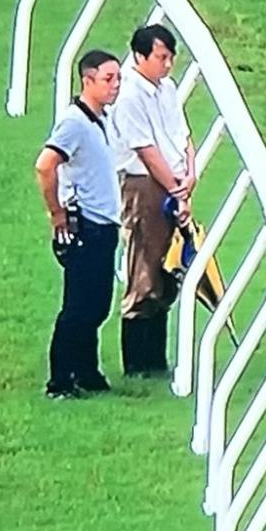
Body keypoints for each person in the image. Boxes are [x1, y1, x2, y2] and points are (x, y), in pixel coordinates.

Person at [34, 51, 124, 398]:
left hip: (104, 224)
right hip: (86, 224)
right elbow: (45, 165)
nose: (115, 85)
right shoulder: (74, 123)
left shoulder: (99, 120)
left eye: (118, 78)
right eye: (108, 79)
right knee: (79, 306)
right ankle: (60, 380)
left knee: (97, 304)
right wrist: (56, 213)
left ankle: (87, 371)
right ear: (87, 80)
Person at [109, 24, 194, 377]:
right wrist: (176, 188)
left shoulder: (167, 88)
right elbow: (145, 150)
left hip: (173, 181)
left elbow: (183, 136)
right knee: (144, 266)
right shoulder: (128, 95)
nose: (168, 64)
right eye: (161, 57)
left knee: (167, 268)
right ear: (140, 56)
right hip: (145, 184)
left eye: (171, 57)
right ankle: (138, 363)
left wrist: (190, 175)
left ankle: (156, 360)